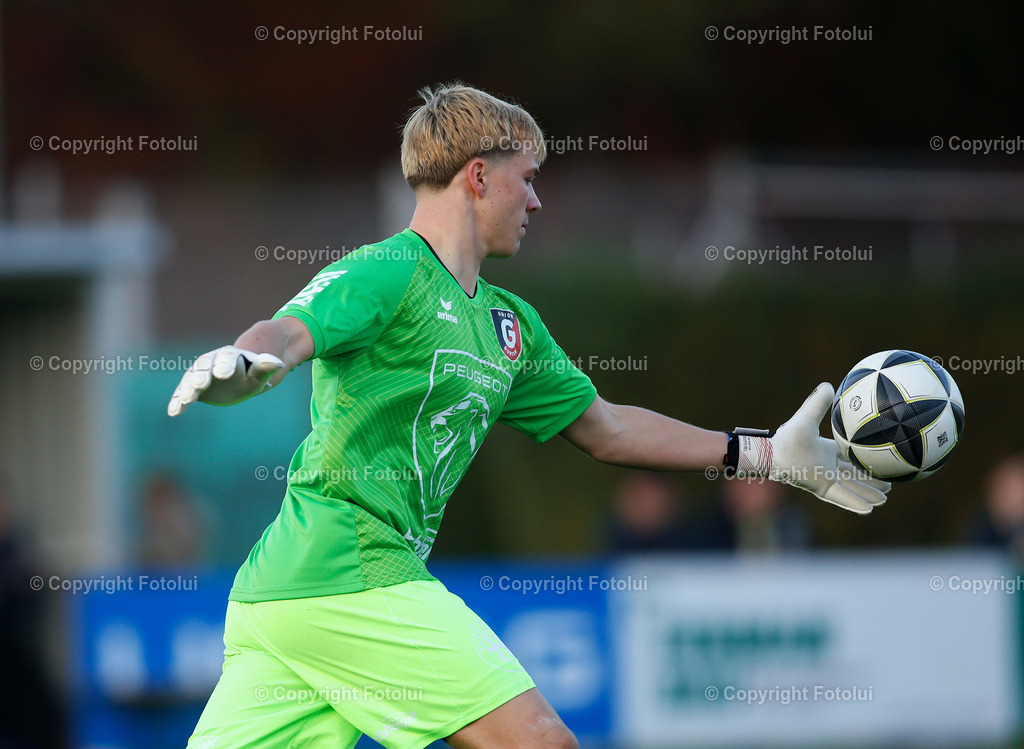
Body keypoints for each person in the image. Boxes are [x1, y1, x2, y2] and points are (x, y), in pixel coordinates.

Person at [168, 83, 889, 749]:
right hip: (349, 566)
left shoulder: (512, 325)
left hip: (285, 597)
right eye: (529, 177)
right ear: (479, 175)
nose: (536, 202)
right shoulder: (388, 270)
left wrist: (761, 454)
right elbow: (286, 333)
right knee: (542, 741)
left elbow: (607, 429)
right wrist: (241, 366)